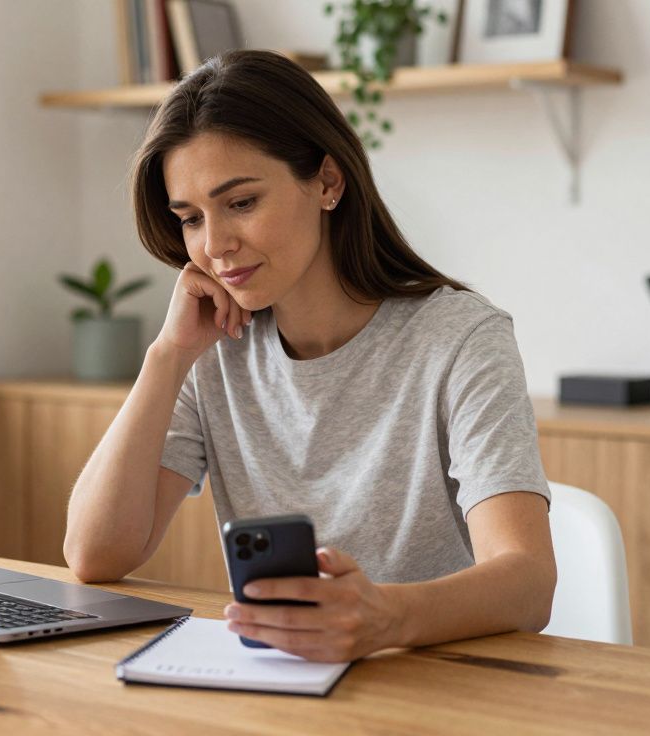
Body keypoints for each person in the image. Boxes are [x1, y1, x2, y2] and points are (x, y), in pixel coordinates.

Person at [62, 50, 556, 664]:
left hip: (432, 683)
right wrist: (167, 357)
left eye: (240, 203)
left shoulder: (460, 339)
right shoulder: (213, 349)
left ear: (327, 182)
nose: (214, 246)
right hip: (280, 690)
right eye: (191, 218)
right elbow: (94, 555)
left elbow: (529, 582)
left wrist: (383, 618)